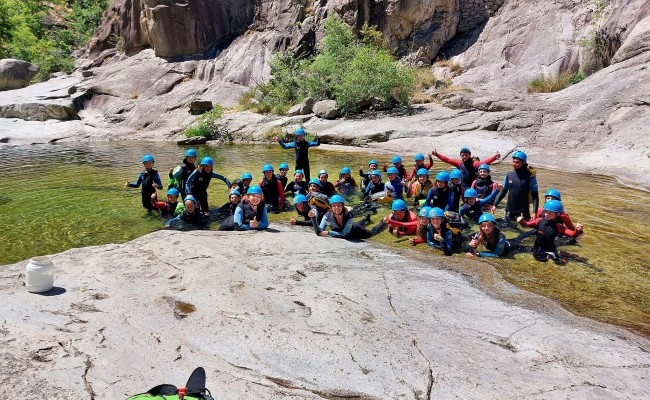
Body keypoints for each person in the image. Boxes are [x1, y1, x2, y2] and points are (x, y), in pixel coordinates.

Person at [517, 200, 583, 264]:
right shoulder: (539, 221)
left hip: (551, 249)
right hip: (538, 247)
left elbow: (572, 234)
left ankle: (565, 255)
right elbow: (526, 224)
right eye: (546, 212)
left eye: (550, 213)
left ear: (558, 214)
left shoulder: (558, 226)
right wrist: (521, 221)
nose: (546, 214)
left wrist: (577, 230)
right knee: (541, 259)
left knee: (560, 262)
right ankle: (557, 254)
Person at [493, 150, 539, 222]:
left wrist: (534, 212)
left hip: (523, 211)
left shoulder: (530, 177)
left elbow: (535, 195)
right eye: (513, 161)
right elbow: (504, 190)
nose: (514, 164)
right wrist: (495, 205)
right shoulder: (509, 175)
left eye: (517, 162)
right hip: (509, 210)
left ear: (523, 163)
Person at [313, 195, 377, 239]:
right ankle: (366, 219)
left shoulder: (349, 215)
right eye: (334, 206)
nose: (336, 208)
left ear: (342, 206)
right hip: (351, 225)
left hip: (356, 231)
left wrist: (328, 232)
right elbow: (319, 231)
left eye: (338, 205)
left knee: (372, 233)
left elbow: (343, 234)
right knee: (356, 223)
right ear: (330, 207)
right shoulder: (327, 216)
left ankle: (383, 222)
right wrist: (313, 218)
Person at [432, 147, 500, 188]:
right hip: (463, 187)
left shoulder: (474, 164)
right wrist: (437, 154)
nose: (464, 156)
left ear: (469, 155)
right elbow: (448, 160)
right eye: (462, 155)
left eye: (466, 155)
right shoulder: (460, 164)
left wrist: (494, 157)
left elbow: (484, 163)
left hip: (473, 187)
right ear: (460, 156)